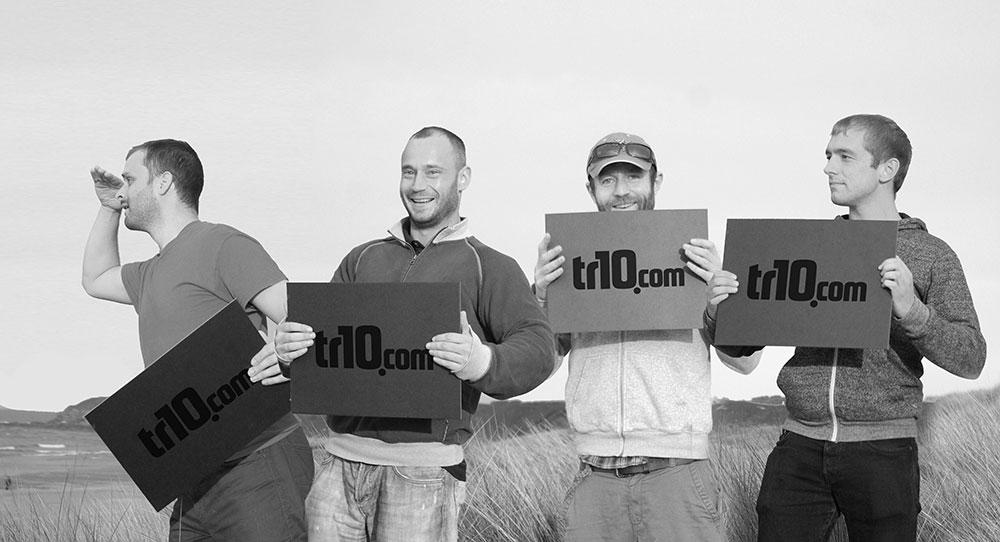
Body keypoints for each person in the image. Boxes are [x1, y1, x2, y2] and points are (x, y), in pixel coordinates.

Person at [707, 114, 987, 541]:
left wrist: (913, 311)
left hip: (884, 453)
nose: (828, 167)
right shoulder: (804, 247)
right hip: (798, 447)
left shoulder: (932, 256)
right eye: (827, 156)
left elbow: (971, 358)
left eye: (844, 157)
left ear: (886, 170)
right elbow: (740, 344)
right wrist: (724, 308)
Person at [271, 126, 557, 541]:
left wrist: (481, 361)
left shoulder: (489, 266)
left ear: (463, 178)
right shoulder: (361, 258)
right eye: (409, 172)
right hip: (338, 466)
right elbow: (322, 349)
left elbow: (539, 348)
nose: (418, 185)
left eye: (432, 172)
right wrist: (289, 352)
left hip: (423, 472)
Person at [533, 132, 761, 541]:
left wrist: (719, 300)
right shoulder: (568, 260)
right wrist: (544, 301)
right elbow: (540, 364)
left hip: (678, 472)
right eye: (607, 180)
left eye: (634, 177)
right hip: (595, 476)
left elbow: (745, 363)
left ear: (656, 182)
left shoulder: (692, 254)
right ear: (591, 189)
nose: (622, 192)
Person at [82, 139, 313, 541]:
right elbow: (95, 278)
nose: (124, 190)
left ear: (164, 183)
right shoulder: (148, 274)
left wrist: (283, 354)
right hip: (192, 476)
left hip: (256, 465)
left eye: (131, 179)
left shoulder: (222, 243)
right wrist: (107, 207)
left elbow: (305, 317)